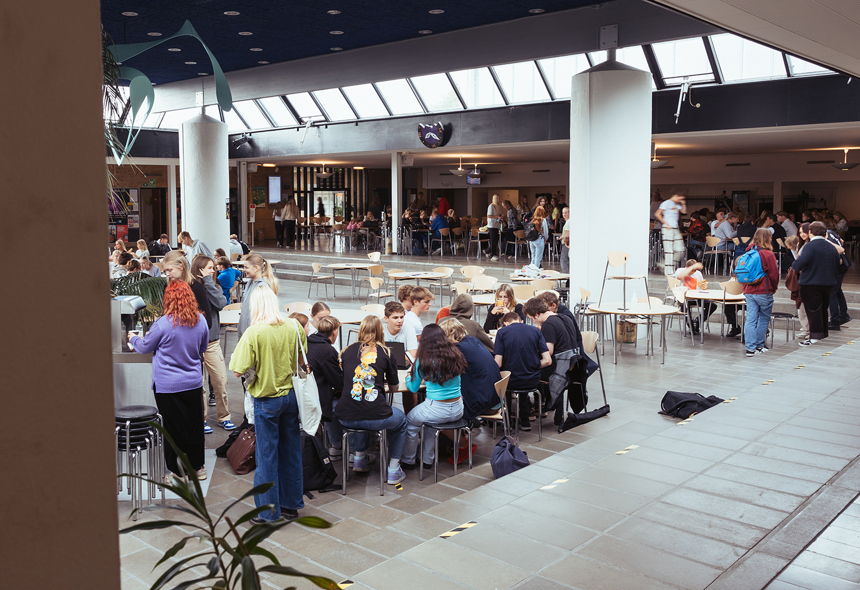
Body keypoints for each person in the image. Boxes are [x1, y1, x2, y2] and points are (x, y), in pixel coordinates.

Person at [229, 285, 305, 522]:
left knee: (266, 456)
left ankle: (268, 513)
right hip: (291, 397)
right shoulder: (294, 326)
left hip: (266, 400)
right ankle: (291, 505)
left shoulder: (255, 332)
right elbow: (301, 360)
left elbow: (237, 371)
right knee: (291, 452)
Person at [129, 280, 209, 481]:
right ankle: (198, 468)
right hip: (192, 382)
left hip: (167, 385)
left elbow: (145, 347)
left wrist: (132, 339)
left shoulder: (163, 324)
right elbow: (202, 348)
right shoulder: (201, 321)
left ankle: (178, 472)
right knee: (194, 425)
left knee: (173, 429)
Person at [336, 316, 408, 485]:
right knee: (401, 420)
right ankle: (393, 469)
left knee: (361, 409)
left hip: (345, 416)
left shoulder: (346, 351)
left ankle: (359, 458)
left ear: (360, 330)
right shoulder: (386, 352)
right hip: (375, 416)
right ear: (380, 331)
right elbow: (395, 388)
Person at [401, 324, 466, 470]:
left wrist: (408, 377)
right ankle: (426, 460)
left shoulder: (422, 360)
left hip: (436, 408)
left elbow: (413, 388)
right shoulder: (455, 355)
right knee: (430, 426)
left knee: (411, 422)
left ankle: (408, 460)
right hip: (458, 408)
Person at [522, 297, 584, 423]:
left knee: (524, 369)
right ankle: (543, 405)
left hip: (559, 368)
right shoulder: (563, 317)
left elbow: (548, 351)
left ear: (537, 315)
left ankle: (525, 412)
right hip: (573, 365)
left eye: (532, 318)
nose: (534, 321)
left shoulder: (548, 324)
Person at [190, 255, 234, 432]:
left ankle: (224, 417)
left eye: (213, 267)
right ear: (199, 269)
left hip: (212, 342)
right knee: (199, 384)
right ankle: (202, 419)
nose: (213, 271)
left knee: (220, 380)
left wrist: (208, 282)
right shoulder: (190, 288)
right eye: (209, 268)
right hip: (194, 343)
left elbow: (222, 303)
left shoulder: (213, 286)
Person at [238, 254, 280, 422]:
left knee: (252, 379)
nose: (243, 270)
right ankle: (250, 415)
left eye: (246, 267)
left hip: (254, 340)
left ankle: (256, 416)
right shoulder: (250, 283)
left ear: (256, 268)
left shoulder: (262, 287)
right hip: (247, 338)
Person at [493, 312, 551, 432]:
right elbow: (547, 360)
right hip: (532, 381)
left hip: (512, 381)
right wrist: (532, 366)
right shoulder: (535, 331)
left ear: (505, 323)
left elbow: (498, 363)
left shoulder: (502, 332)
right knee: (522, 377)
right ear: (520, 321)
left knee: (505, 379)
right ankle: (525, 421)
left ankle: (507, 421)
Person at [440, 319, 501, 425]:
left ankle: (457, 438)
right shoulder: (473, 340)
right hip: (494, 399)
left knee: (442, 411)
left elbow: (443, 373)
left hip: (482, 403)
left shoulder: (457, 349)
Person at [792, 222, 840, 345]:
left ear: (810, 232)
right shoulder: (830, 246)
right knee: (823, 309)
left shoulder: (810, 246)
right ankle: (823, 334)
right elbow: (837, 262)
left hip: (811, 283)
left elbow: (799, 263)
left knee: (813, 311)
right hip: (828, 283)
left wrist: (794, 265)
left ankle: (814, 337)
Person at [306, 316, 346, 458]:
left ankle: (336, 444)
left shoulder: (308, 342)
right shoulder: (327, 350)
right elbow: (339, 382)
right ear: (335, 332)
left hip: (305, 395)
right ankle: (343, 447)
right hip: (317, 400)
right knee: (342, 405)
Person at [676, 260, 740, 337]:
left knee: (712, 305)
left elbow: (701, 286)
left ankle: (697, 321)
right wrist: (692, 267)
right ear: (686, 267)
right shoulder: (680, 270)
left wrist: (703, 287)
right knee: (684, 306)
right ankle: (691, 327)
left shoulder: (698, 274)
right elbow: (679, 277)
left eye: (695, 270)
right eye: (692, 270)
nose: (693, 272)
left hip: (696, 297)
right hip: (683, 297)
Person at [742, 229, 780, 357]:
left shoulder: (748, 252)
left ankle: (750, 349)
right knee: (763, 319)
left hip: (748, 290)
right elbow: (774, 275)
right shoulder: (768, 254)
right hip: (764, 290)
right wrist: (773, 288)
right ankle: (759, 346)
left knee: (751, 319)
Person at [825, 228, 851, 329]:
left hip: (839, 265)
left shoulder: (825, 237)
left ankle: (835, 321)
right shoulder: (831, 232)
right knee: (837, 289)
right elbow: (841, 241)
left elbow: (839, 250)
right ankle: (844, 314)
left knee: (832, 292)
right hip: (844, 263)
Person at [655, 192, 686, 274]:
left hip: (675, 228)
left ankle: (664, 264)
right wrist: (665, 223)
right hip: (667, 228)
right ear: (675, 196)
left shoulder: (677, 204)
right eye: (679, 197)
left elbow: (683, 211)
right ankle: (669, 271)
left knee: (680, 249)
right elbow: (658, 214)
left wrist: (683, 203)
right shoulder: (665, 203)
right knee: (669, 251)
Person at [485, 194, 503, 261]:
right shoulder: (491, 206)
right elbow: (489, 215)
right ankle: (493, 254)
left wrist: (500, 216)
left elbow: (498, 214)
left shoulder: (497, 206)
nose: (500, 199)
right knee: (492, 240)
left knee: (495, 240)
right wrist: (497, 217)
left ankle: (487, 251)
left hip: (496, 225)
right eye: (499, 198)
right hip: (491, 225)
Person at [559, 207, 571, 273]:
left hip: (566, 243)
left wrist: (560, 238)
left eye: (566, 213)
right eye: (563, 213)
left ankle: (565, 275)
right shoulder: (568, 222)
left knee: (563, 260)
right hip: (567, 243)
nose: (564, 214)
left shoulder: (568, 222)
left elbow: (567, 234)